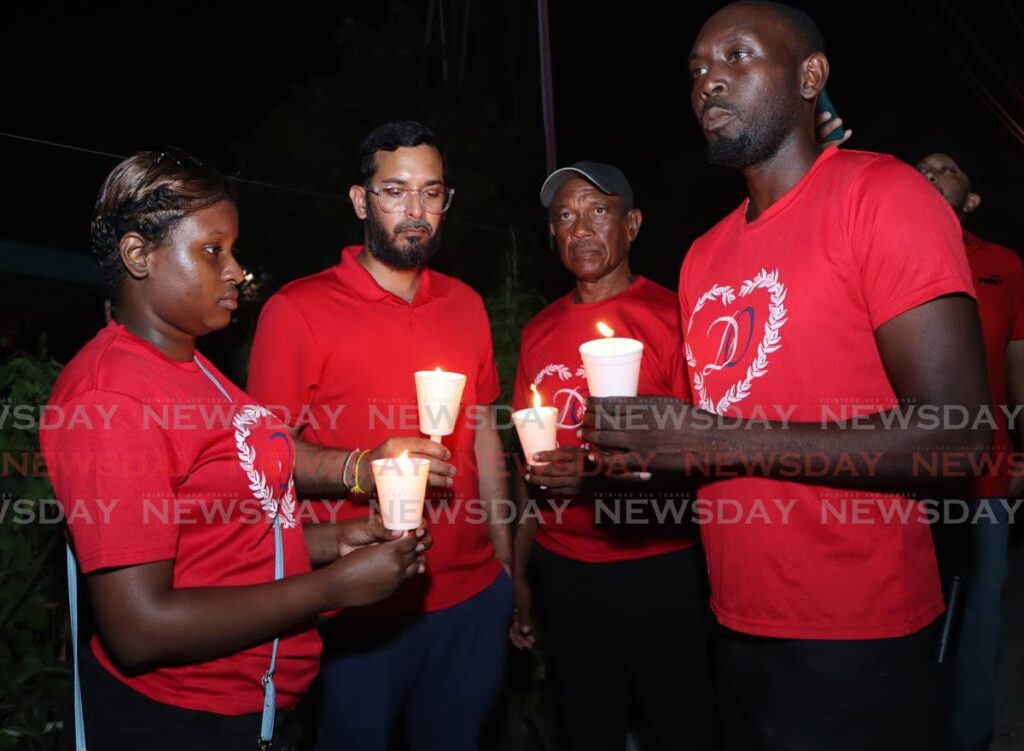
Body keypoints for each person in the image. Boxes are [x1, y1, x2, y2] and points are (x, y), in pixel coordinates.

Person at [583, 3, 991, 749]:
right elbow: (726, 435)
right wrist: (649, 456)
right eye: (698, 69)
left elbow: (958, 437)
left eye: (738, 56)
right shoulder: (703, 256)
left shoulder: (883, 196)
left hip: (861, 632)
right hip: (734, 622)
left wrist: (715, 440)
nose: (709, 81)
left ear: (811, 76)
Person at [42, 149, 429, 751]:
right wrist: (333, 588)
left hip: (260, 709)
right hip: (177, 721)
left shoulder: (196, 366)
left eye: (233, 250)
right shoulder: (111, 401)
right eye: (212, 250)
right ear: (139, 256)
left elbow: (228, 538)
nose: (235, 270)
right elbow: (140, 627)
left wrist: (336, 541)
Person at [247, 120, 513, 751]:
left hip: (472, 598)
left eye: (433, 192)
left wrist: (504, 560)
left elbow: (482, 439)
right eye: (396, 191)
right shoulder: (297, 310)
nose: (417, 210)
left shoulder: (467, 305)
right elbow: (260, 461)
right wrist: (360, 465)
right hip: (357, 606)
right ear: (361, 200)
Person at [509, 161, 711, 751]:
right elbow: (530, 463)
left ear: (633, 224)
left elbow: (703, 452)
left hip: (659, 564)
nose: (581, 229)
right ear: (553, 235)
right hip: (566, 571)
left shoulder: (675, 317)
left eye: (599, 211)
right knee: (588, 726)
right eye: (565, 216)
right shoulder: (538, 331)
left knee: (683, 725)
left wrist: (595, 477)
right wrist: (520, 574)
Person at [912, 143, 1024, 751]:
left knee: (980, 615)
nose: (930, 176)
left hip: (984, 479)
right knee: (907, 615)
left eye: (946, 169)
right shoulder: (892, 255)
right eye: (921, 171)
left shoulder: (1004, 263)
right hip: (904, 475)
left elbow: (1018, 362)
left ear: (971, 198)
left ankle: (970, 738)